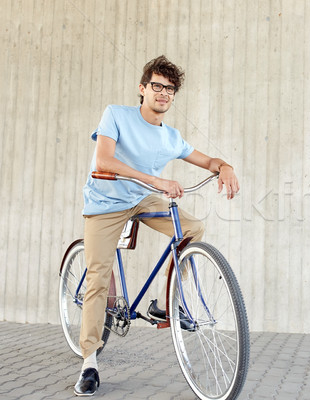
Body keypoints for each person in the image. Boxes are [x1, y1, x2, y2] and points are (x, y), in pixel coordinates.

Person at [74, 56, 239, 396]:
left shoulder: (172, 138)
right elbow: (104, 160)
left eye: (170, 89)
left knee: (191, 228)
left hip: (144, 199)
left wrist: (225, 167)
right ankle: (89, 360)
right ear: (143, 89)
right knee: (98, 276)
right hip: (106, 201)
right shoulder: (117, 115)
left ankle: (167, 301)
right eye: (157, 86)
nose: (164, 93)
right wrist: (156, 180)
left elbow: (207, 160)